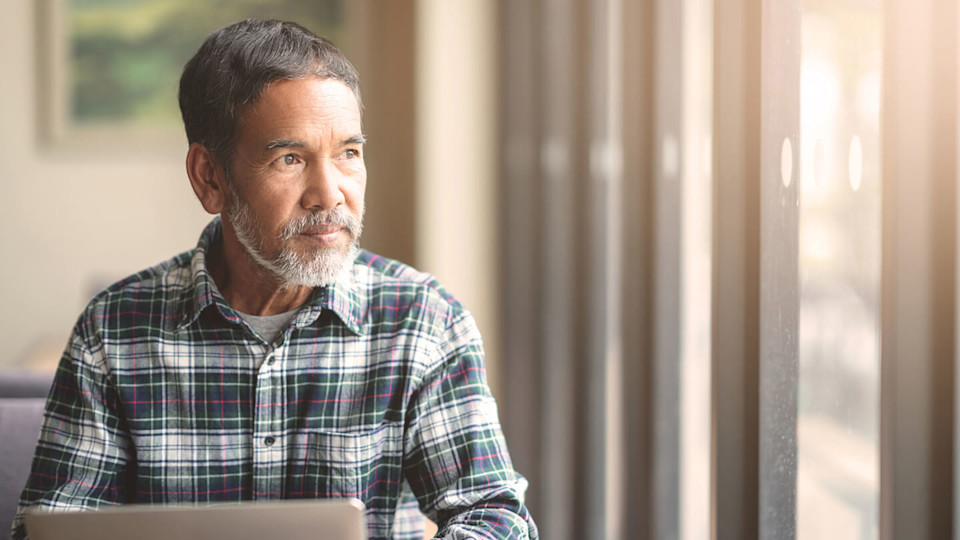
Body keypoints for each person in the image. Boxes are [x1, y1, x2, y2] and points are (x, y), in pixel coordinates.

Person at [12, 19, 537, 540]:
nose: (329, 194)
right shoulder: (114, 330)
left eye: (348, 153)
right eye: (290, 158)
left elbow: (495, 517)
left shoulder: (424, 321)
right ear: (209, 178)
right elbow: (50, 531)